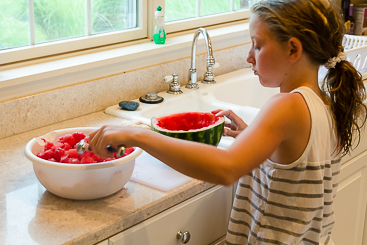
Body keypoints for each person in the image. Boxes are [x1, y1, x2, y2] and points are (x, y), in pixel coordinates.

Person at [89, 0, 367, 244]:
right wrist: (253, 137)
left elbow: (226, 169)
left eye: (257, 45)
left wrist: (141, 137)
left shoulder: (287, 106)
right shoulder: (324, 102)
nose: (249, 56)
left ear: (293, 49)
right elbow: (298, 168)